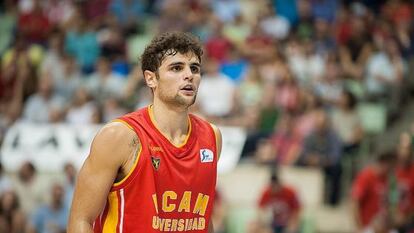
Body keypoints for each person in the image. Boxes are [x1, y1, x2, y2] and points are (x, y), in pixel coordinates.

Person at [68, 31, 222, 233]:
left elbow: (201, 219)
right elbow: (81, 220)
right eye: (176, 68)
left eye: (194, 68)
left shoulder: (212, 137)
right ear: (151, 79)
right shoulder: (120, 136)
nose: (189, 75)